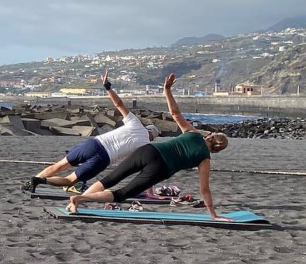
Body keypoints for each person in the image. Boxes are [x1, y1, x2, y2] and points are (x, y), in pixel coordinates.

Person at [67, 73, 231, 218]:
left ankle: (75, 202)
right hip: (161, 167)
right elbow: (205, 190)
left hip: (149, 150)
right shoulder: (205, 159)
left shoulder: (193, 133)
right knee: (122, 193)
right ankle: (79, 198)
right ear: (217, 150)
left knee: (110, 179)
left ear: (209, 136)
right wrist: (213, 214)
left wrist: (167, 90)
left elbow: (175, 114)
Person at [23, 70, 159, 192]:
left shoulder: (135, 123)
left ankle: (31, 182)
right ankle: (40, 181)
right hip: (104, 158)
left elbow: (119, 104)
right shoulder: (146, 145)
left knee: (59, 165)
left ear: (147, 128)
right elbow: (144, 169)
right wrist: (150, 193)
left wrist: (107, 87)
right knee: (70, 180)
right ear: (152, 137)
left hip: (94, 143)